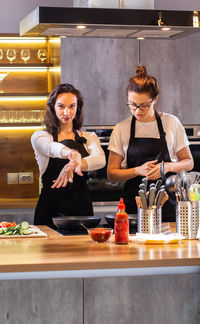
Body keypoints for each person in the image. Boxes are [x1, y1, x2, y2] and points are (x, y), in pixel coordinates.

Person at [107, 65, 194, 221]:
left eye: (144, 105)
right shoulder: (121, 128)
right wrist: (137, 171)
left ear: (155, 99)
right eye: (132, 104)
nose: (137, 111)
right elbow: (111, 173)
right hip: (134, 209)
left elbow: (189, 162)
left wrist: (167, 167)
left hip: (169, 207)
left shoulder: (171, 123)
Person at [31, 83, 106, 228]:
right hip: (50, 209)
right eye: (61, 106)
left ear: (78, 108)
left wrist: (74, 165)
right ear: (52, 107)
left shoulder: (89, 136)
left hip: (82, 209)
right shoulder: (40, 136)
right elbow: (52, 148)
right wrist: (72, 154)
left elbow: (100, 159)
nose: (67, 112)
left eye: (72, 106)